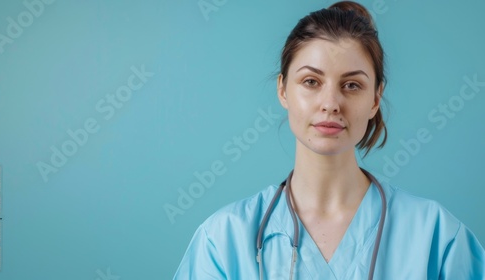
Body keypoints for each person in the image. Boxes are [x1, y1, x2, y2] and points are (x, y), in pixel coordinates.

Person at [173, 1, 485, 279]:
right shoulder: (224, 239)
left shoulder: (437, 237)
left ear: (376, 98)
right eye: (311, 81)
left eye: (351, 85)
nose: (331, 103)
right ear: (283, 90)